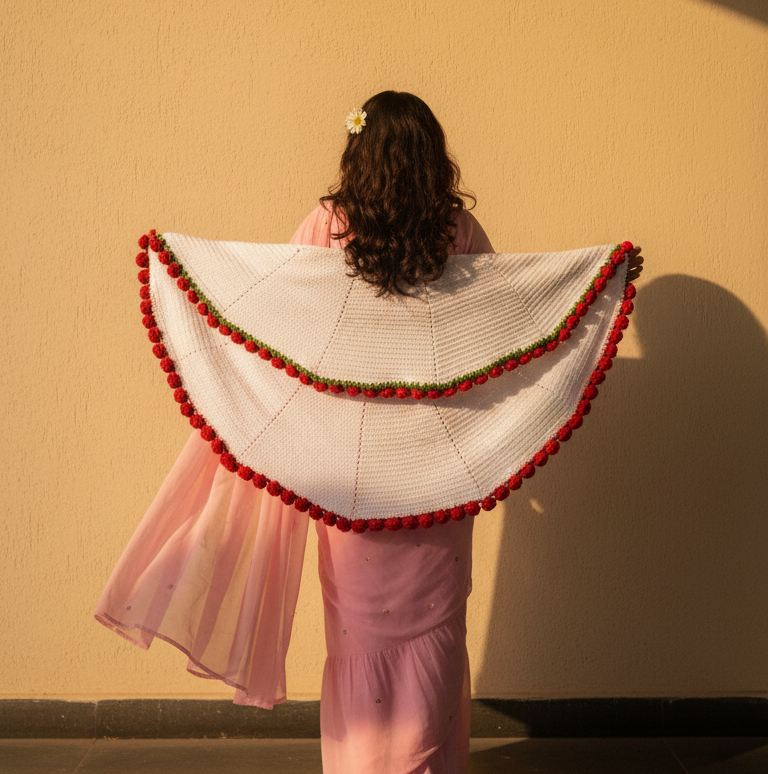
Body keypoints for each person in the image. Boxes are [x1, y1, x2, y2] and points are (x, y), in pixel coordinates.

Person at [94, 90, 643, 774]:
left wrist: (180, 266)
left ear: (359, 153)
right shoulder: (458, 233)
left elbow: (279, 320)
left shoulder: (327, 226)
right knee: (437, 633)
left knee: (357, 638)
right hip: (438, 470)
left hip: (348, 476)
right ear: (432, 158)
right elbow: (503, 327)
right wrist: (598, 283)